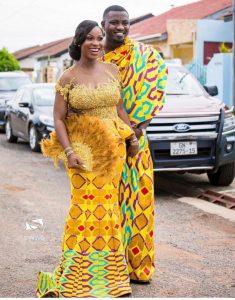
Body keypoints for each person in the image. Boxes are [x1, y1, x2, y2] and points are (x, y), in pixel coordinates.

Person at [36, 20, 139, 298]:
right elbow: (58, 117)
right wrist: (69, 152)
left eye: (99, 38)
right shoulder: (68, 77)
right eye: (90, 38)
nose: (96, 43)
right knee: (83, 210)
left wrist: (132, 138)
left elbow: (119, 109)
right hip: (83, 151)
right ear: (79, 42)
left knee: (108, 210)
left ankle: (111, 277)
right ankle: (76, 274)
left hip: (113, 151)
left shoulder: (113, 70)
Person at [101, 5, 168, 283]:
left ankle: (137, 267)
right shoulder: (94, 55)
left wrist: (138, 131)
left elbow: (155, 92)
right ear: (102, 24)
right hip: (103, 143)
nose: (120, 27)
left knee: (138, 204)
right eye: (114, 22)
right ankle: (109, 267)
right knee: (107, 206)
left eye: (125, 23)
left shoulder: (145, 56)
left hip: (137, 142)